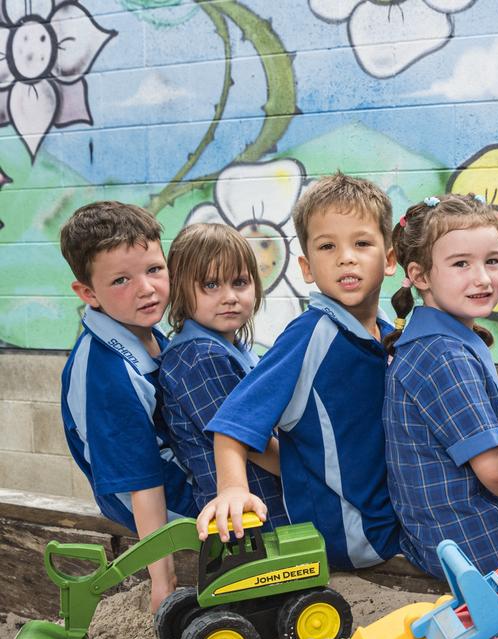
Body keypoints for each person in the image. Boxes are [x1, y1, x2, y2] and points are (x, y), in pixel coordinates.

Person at [197, 173, 402, 571]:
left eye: (362, 243)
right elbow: (233, 426)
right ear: (307, 267)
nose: (346, 257)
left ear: (389, 259)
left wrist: (297, 462)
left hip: (393, 515)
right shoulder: (309, 337)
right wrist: (233, 489)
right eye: (328, 246)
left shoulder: (390, 333)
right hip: (353, 535)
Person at [382, 194, 498, 576]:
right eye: (461, 264)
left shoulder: (434, 339)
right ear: (419, 276)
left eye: (492, 261)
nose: (482, 278)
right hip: (467, 537)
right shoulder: (443, 356)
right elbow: (496, 471)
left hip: (438, 532)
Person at [58, 201, 197, 612]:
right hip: (156, 497)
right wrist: (163, 580)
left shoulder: (147, 332)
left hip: (174, 468)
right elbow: (141, 481)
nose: (146, 288)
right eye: (121, 280)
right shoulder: (109, 371)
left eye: (154, 269)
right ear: (88, 294)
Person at [158, 224, 286, 529]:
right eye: (211, 285)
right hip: (250, 522)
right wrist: (312, 472)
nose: (229, 297)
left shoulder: (230, 347)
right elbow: (249, 441)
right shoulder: (199, 357)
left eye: (240, 282)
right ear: (180, 289)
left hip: (259, 512)